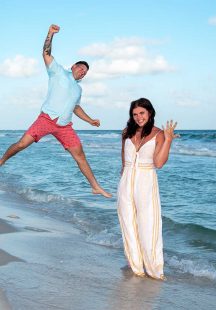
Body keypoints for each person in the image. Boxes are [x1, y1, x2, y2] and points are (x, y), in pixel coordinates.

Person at [0, 24, 111, 198]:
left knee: (80, 155)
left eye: (85, 72)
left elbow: (76, 107)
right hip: (45, 119)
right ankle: (2, 160)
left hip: (64, 126)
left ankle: (95, 186)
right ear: (74, 66)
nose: (83, 72)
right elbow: (46, 53)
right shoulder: (58, 72)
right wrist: (50, 34)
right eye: (81, 68)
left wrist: (90, 121)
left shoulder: (78, 90)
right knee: (22, 144)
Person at [117, 98, 178, 279]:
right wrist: (123, 182)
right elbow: (123, 159)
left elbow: (159, 163)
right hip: (126, 182)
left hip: (146, 182)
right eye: (135, 114)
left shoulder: (159, 134)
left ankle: (155, 271)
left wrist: (168, 140)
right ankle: (136, 268)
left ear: (149, 113)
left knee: (148, 226)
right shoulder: (126, 132)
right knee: (128, 225)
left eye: (142, 113)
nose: (138, 117)